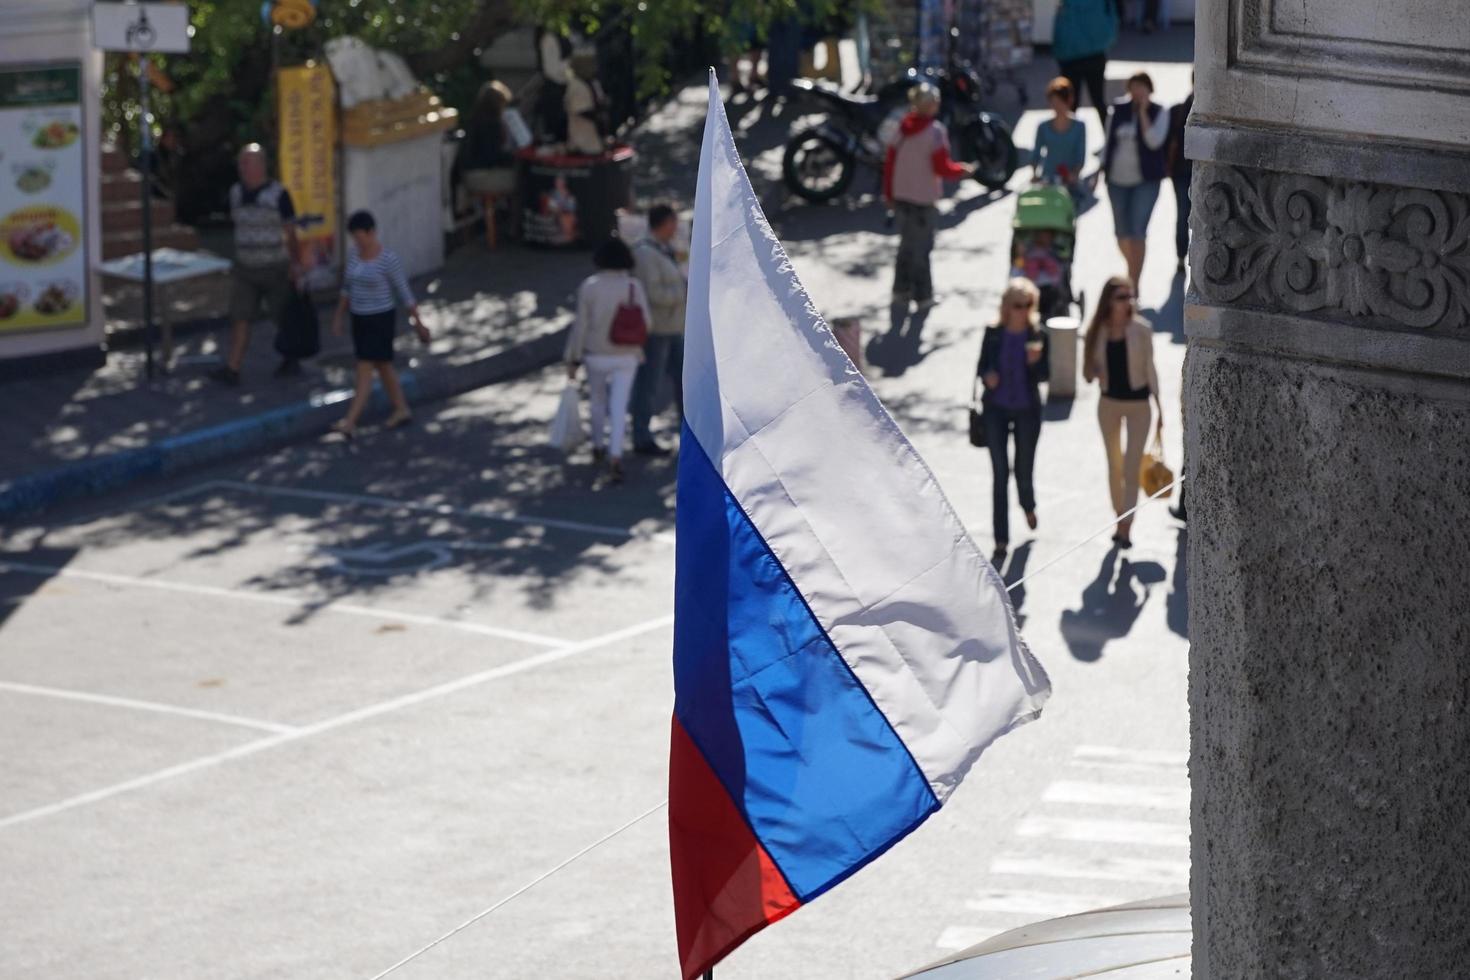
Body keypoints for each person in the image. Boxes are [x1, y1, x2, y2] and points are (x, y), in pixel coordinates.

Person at [330, 210, 429, 438]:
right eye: (354, 236)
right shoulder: (354, 256)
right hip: (360, 318)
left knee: (364, 367)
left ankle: (350, 421)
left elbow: (405, 294)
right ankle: (401, 408)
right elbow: (347, 288)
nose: (357, 241)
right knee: (383, 366)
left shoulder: (388, 260)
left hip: (380, 319)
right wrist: (338, 316)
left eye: (360, 235)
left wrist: (419, 324)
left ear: (371, 232)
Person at [1082, 276, 1163, 548]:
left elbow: (1151, 369)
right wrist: (1095, 370)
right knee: (1114, 465)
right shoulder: (1097, 330)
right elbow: (1087, 375)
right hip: (1109, 404)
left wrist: (1160, 408)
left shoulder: (1142, 330)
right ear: (1108, 301)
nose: (1127, 302)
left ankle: (1126, 526)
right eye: (1121, 297)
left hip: (1139, 405)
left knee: (1131, 467)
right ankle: (1119, 517)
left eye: (1130, 296)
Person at [212, 144, 301, 385]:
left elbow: (291, 232)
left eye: (247, 163)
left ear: (261, 165)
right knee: (240, 316)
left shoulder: (279, 194)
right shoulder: (235, 193)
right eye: (241, 163)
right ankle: (233, 368)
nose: (243, 168)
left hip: (275, 266)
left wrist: (296, 264)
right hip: (245, 268)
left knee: (280, 315)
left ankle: (290, 357)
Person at [882, 82, 975, 312]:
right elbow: (942, 167)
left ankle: (900, 291)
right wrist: (962, 171)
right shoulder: (935, 132)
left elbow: (890, 164)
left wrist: (889, 193)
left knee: (906, 246)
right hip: (923, 200)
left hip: (902, 196)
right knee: (922, 249)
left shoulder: (901, 128)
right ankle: (923, 296)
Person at [565, 238, 651, 484]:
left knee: (597, 401)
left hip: (596, 354)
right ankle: (616, 456)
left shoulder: (590, 286)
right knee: (619, 405)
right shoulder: (633, 286)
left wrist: (573, 357)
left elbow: (580, 325)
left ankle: (597, 445)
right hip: (626, 354)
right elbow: (647, 321)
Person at [977, 278, 1050, 565]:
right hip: (995, 408)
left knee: (1023, 469)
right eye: (1018, 305)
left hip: (1026, 410)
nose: (1023, 310)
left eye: (1028, 304)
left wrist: (1035, 362)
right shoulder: (993, 333)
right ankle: (1001, 539)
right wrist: (987, 376)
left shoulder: (1037, 334)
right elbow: (981, 366)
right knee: (999, 474)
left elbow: (1046, 375)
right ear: (1007, 307)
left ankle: (1028, 505)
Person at [1103, 72, 1169, 290]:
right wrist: (1100, 170)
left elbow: (1153, 141)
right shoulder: (1117, 110)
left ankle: (1133, 283)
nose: (1138, 92)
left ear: (1150, 89)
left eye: (1142, 87)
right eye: (1134, 87)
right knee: (1121, 233)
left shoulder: (1159, 112)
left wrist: (1143, 114)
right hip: (1117, 180)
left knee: (1137, 231)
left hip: (1145, 181)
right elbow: (1107, 142)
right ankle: (1132, 270)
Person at [630, 204, 687, 456]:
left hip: (674, 327)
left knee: (684, 383)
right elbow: (653, 293)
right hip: (656, 330)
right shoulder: (645, 253)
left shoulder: (663, 249)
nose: (676, 228)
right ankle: (641, 436)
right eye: (673, 223)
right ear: (663, 224)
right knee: (648, 384)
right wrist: (683, 293)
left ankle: (690, 433)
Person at [1052, 0, 1117, 131]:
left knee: (1070, 103)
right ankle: (1110, 142)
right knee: (1098, 99)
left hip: (1070, 56)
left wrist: (1058, 52)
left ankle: (1068, 141)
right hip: (1095, 54)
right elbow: (1113, 19)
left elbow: (1059, 26)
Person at [1032, 77, 1088, 198]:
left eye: (1060, 102)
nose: (1057, 106)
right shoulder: (1043, 126)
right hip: (1048, 179)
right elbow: (1036, 153)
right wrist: (1034, 173)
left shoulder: (1079, 126)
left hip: (1070, 180)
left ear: (1069, 101)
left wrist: (1074, 173)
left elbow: (1080, 154)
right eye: (1053, 102)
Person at [1167, 80, 1194, 276]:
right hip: (1182, 173)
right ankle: (1181, 256)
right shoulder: (1178, 110)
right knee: (1183, 215)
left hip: (1186, 172)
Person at [564, 50, 606, 156]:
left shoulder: (593, 83)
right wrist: (598, 115)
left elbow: (601, 100)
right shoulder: (576, 85)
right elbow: (581, 110)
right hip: (582, 135)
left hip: (597, 134)